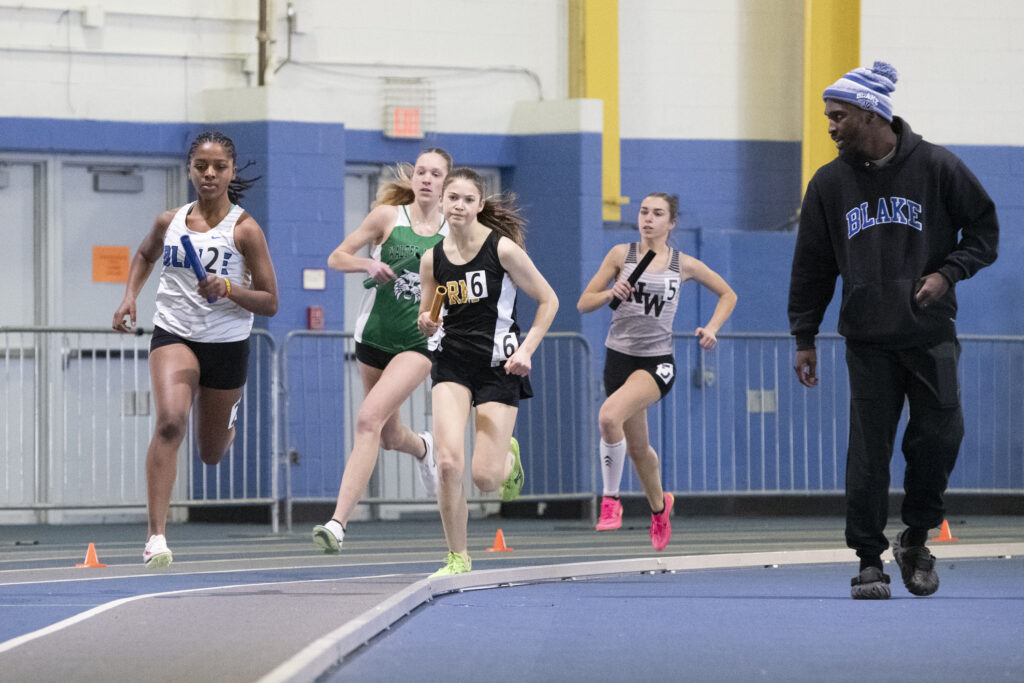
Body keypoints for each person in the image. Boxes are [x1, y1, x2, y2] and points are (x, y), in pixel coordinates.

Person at [788, 61, 998, 599]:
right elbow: (812, 265)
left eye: (838, 116)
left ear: (870, 112)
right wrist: (804, 336)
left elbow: (983, 230)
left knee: (941, 436)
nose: (830, 126)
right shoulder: (829, 183)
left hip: (929, 334)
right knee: (869, 454)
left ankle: (916, 538)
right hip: (868, 341)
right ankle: (867, 560)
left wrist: (948, 272)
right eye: (828, 117)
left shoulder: (937, 166)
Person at [113, 131, 279, 568]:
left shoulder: (245, 231)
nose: (209, 174)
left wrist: (227, 287)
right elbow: (145, 255)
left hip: (226, 343)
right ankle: (156, 537)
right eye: (201, 166)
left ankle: (227, 422)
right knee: (170, 422)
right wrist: (130, 295)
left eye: (218, 167)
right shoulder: (168, 222)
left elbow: (271, 302)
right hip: (175, 333)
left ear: (231, 171)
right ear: (189, 169)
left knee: (210, 453)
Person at [416, 168, 558, 576]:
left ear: (480, 205)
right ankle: (457, 555)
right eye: (452, 197)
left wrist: (527, 350)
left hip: (500, 366)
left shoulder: (503, 250)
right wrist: (426, 322)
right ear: (441, 202)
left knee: (484, 479)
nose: (458, 205)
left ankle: (507, 460)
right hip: (453, 364)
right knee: (447, 463)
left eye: (466, 199)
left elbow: (549, 301)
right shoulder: (433, 259)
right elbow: (428, 313)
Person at [312, 149, 453, 554]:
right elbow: (337, 256)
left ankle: (337, 523)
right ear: (413, 178)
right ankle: (423, 447)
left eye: (435, 173)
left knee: (368, 420)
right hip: (372, 337)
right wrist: (367, 267)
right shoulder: (388, 217)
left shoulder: (454, 233)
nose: (426, 178)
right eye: (421, 171)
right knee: (390, 436)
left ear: (446, 182)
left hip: (418, 342)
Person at [577, 193, 737, 549]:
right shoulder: (621, 255)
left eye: (657, 214)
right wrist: (608, 293)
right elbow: (584, 302)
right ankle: (659, 507)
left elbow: (728, 294)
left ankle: (611, 501)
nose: (648, 219)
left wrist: (711, 327)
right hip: (618, 358)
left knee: (607, 417)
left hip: (656, 363)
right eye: (644, 211)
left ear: (671, 223)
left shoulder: (684, 264)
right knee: (637, 448)